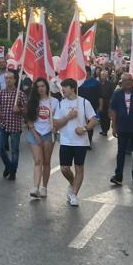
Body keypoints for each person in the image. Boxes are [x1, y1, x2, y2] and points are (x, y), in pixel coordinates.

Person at [53, 78, 97, 206]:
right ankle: (73, 183)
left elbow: (93, 120)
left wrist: (84, 128)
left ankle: (74, 195)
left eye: (65, 87)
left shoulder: (84, 102)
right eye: (62, 87)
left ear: (72, 88)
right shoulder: (62, 103)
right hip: (66, 140)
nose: (63, 90)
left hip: (80, 142)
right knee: (64, 168)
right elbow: (56, 123)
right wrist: (68, 117)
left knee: (79, 168)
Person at [25, 77, 57, 199]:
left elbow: (57, 119)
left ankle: (44, 187)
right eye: (38, 86)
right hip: (35, 133)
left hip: (49, 134)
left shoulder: (54, 102)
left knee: (46, 161)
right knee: (38, 161)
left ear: (47, 87)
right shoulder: (32, 101)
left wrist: (56, 126)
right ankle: (35, 187)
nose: (40, 88)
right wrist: (35, 134)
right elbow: (28, 119)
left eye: (43, 86)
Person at [0, 71, 23, 181]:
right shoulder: (0, 93)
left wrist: (19, 109)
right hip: (2, 125)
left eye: (10, 78)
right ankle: (8, 166)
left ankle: (13, 172)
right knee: (0, 148)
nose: (8, 80)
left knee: (15, 151)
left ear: (15, 80)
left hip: (15, 126)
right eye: (6, 78)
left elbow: (27, 110)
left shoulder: (20, 94)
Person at [78, 68, 103, 149]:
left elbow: (100, 95)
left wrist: (100, 106)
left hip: (92, 106)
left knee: (90, 123)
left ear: (88, 72)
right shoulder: (78, 82)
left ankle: (88, 141)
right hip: (80, 106)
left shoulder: (95, 83)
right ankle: (81, 140)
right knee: (82, 123)